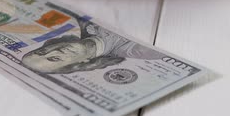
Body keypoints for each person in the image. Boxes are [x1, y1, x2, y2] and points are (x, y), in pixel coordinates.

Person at [21, 33, 165, 74]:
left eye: (42, 51)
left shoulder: (82, 22)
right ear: (79, 64)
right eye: (54, 58)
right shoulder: (140, 51)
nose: (56, 50)